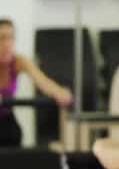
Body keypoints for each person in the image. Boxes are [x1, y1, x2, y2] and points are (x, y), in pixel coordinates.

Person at [0, 19, 74, 147]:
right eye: (2, 38)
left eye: (11, 38)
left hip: (7, 123)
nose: (7, 44)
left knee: (13, 134)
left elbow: (43, 82)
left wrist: (60, 92)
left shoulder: (18, 61)